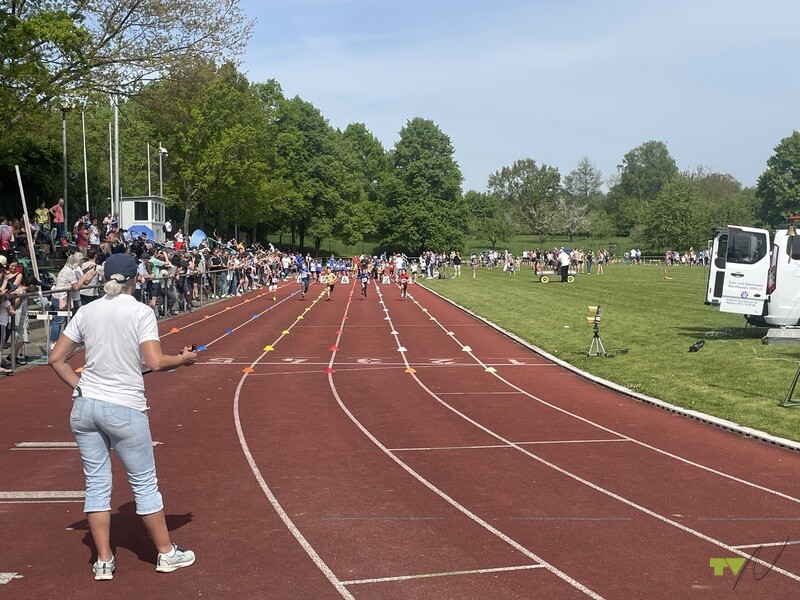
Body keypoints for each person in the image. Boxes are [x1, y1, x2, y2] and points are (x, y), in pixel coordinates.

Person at [48, 253, 197, 581]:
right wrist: (184, 359)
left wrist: (83, 386)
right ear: (135, 279)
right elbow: (156, 362)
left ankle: (103, 561)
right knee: (144, 484)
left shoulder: (87, 311)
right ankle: (167, 554)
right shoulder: (141, 312)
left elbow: (56, 358)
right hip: (124, 407)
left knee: (97, 484)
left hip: (85, 408)